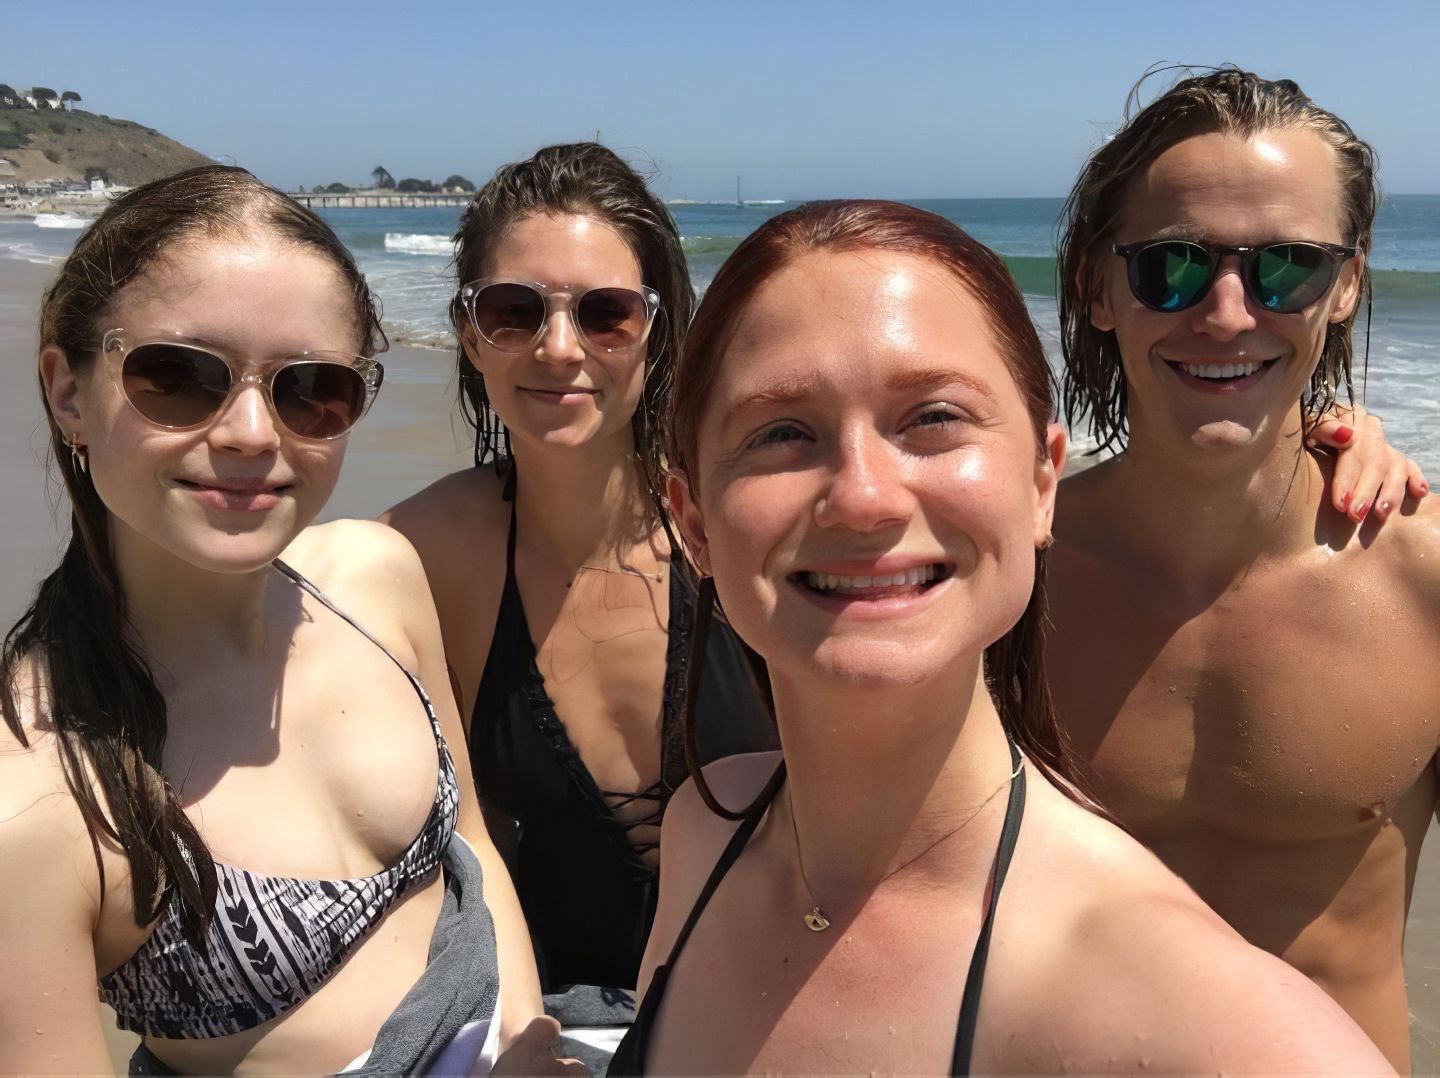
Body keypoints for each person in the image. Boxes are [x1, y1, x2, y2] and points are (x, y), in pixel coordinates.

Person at [608, 198, 1392, 1075]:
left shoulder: (1204, 1025)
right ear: (694, 523)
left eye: (934, 418)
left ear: (1041, 484)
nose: (863, 497)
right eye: (783, 432)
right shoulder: (706, 831)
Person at [0, 166, 574, 1075]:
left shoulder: (375, 580)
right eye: (180, 376)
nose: (253, 433)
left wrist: (527, 1039)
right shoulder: (38, 796)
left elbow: (470, 845)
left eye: (310, 388)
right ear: (68, 391)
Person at [1049, 68, 1438, 1071]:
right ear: (1097, 287)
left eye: (1287, 267)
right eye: (1170, 266)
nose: (1226, 313)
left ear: (1346, 285)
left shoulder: (1426, 581)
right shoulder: (1007, 578)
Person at [382, 144, 774, 1038]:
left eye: (606, 314)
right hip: (532, 1032)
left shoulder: (745, 530)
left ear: (657, 332)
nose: (559, 348)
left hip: (765, 1016)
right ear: (470, 332)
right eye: (514, 311)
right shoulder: (418, 555)